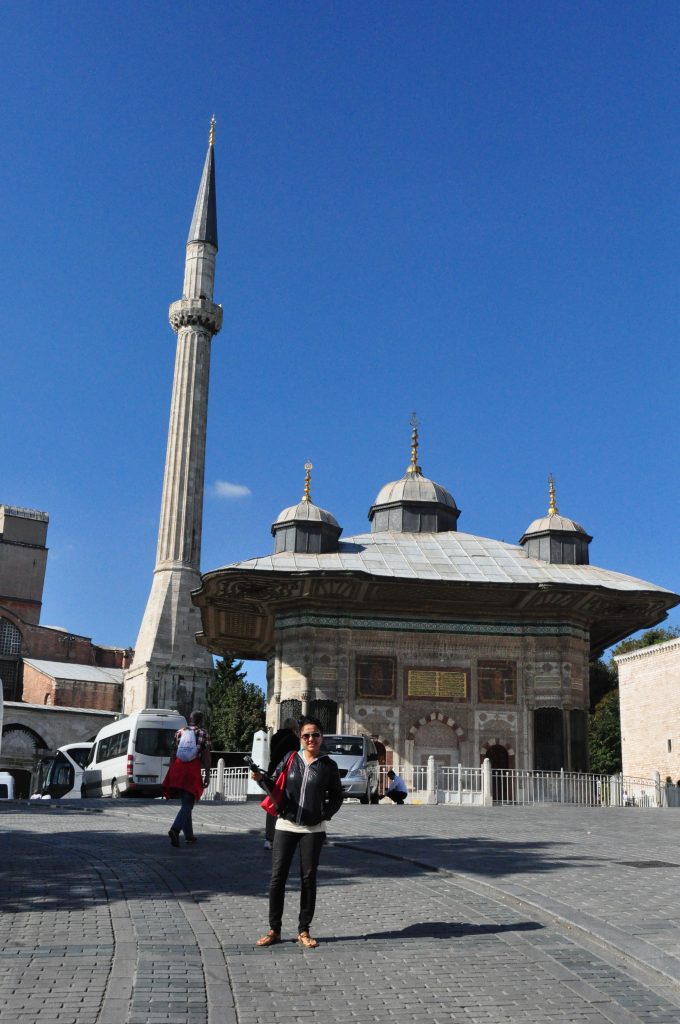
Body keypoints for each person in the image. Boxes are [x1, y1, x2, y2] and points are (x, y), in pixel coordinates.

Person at [250, 715, 343, 948]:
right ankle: (274, 929)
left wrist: (324, 813)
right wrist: (261, 779)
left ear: (322, 738)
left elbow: (337, 797)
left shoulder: (328, 766)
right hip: (286, 825)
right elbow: (274, 783)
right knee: (277, 878)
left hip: (313, 829)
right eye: (306, 735)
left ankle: (304, 930)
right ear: (300, 738)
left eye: (315, 735)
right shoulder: (290, 758)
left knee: (308, 878)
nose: (311, 739)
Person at [162, 710, 212, 846]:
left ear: (189, 720)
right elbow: (206, 755)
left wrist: (171, 772)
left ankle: (189, 836)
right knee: (188, 804)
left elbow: (173, 753)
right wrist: (207, 774)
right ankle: (175, 829)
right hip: (192, 771)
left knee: (186, 803)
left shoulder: (179, 732)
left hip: (178, 769)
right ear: (200, 721)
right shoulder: (203, 733)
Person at [263, 718, 300, 849]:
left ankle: (269, 838)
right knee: (289, 802)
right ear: (293, 727)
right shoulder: (294, 739)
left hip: (273, 773)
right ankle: (288, 835)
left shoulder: (274, 737)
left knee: (273, 803)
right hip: (286, 774)